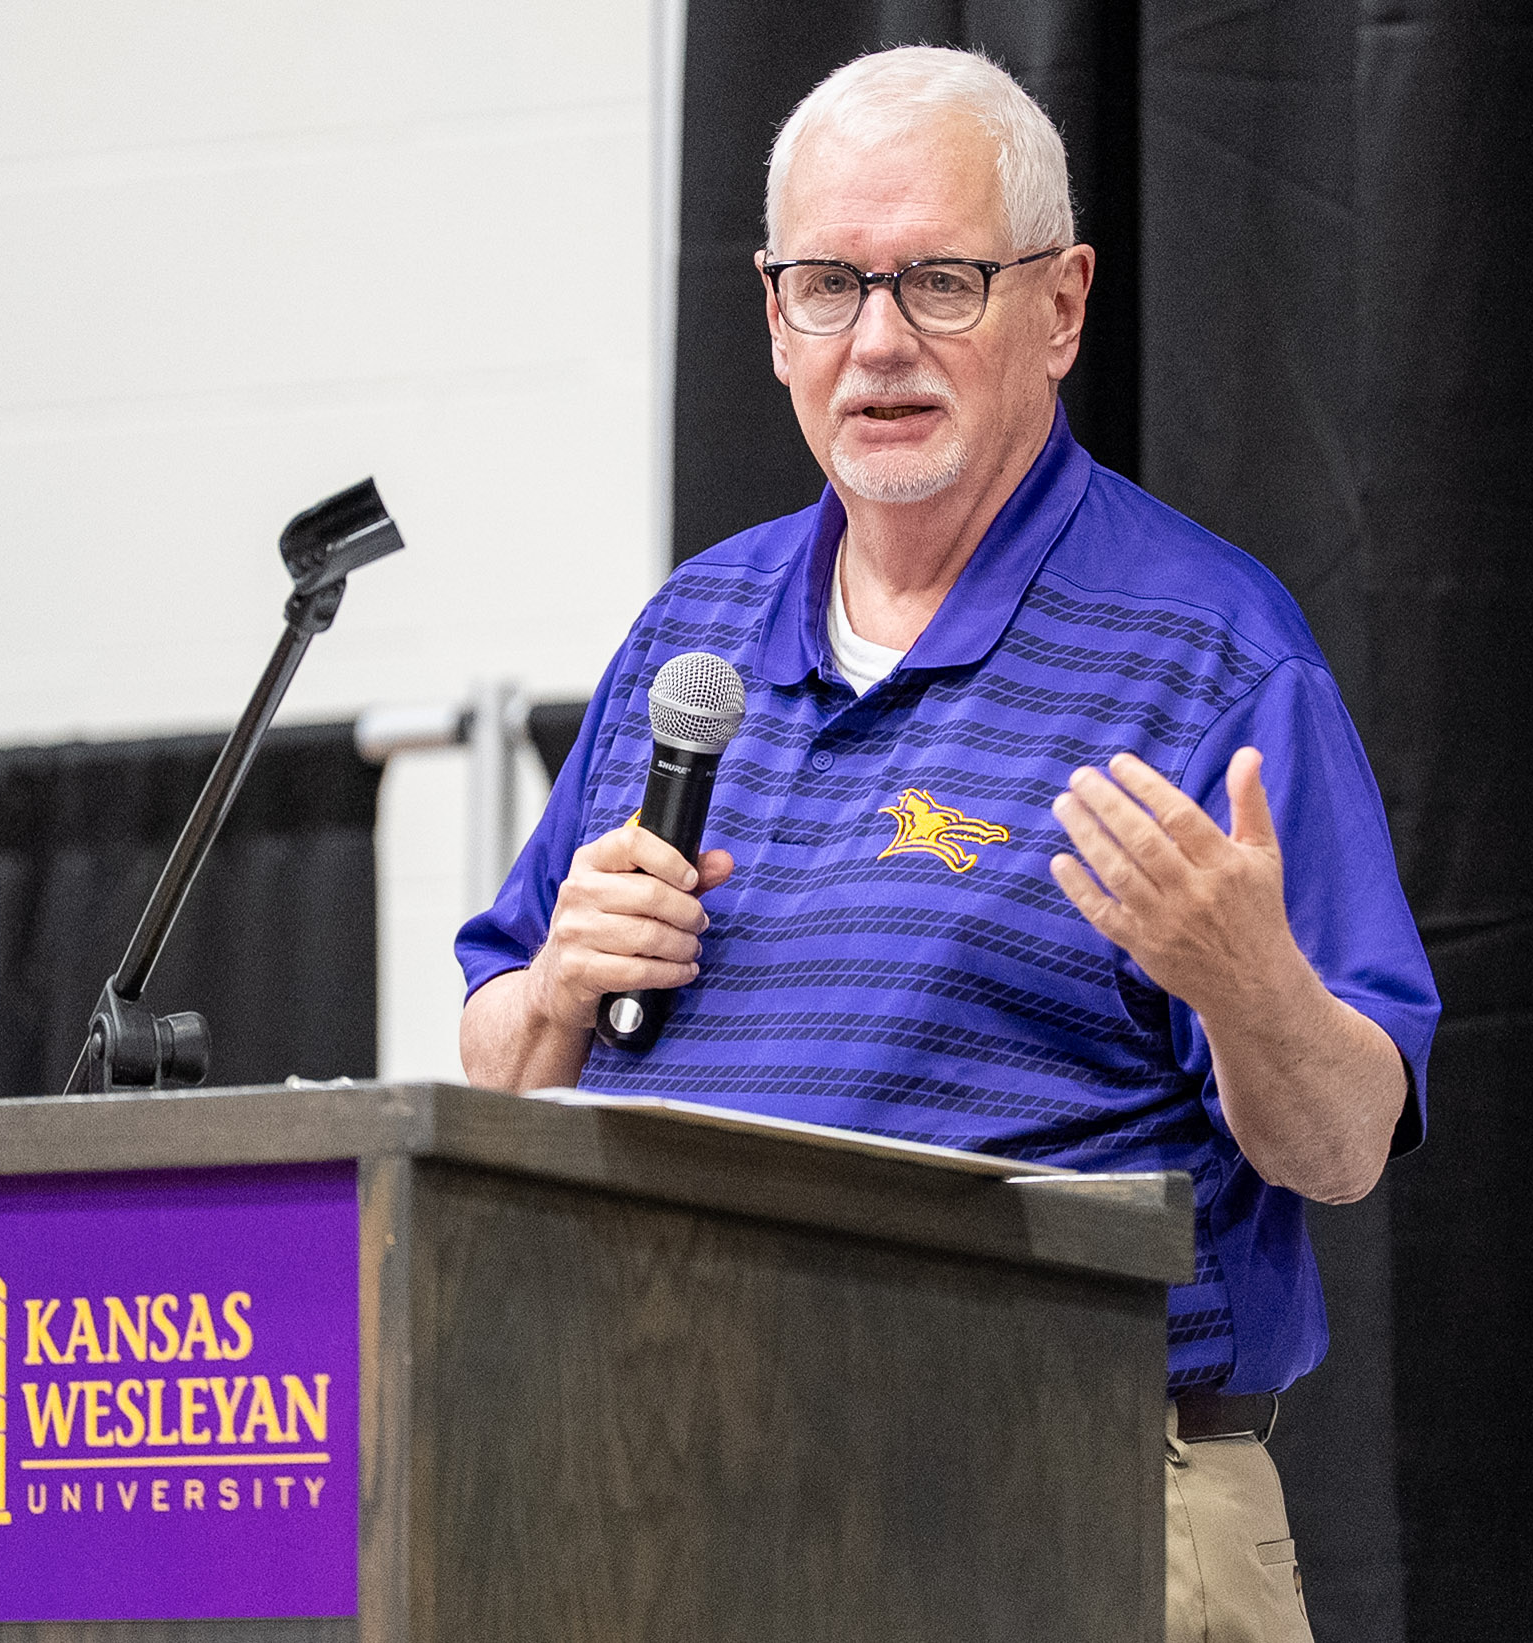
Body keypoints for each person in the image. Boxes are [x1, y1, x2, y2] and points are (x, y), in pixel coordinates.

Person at [457, 44, 1437, 1643]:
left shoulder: (1203, 654)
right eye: (832, 284)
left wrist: (1254, 985)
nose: (882, 344)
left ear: (1061, 305)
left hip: (1069, 1504)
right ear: (773, 318)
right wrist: (562, 987)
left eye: (944, 281)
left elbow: (1333, 1149)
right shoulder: (688, 641)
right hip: (672, 1498)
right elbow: (499, 1069)